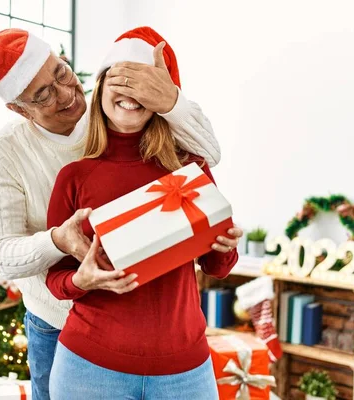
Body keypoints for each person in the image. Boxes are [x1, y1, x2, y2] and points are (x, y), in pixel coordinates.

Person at [0, 28, 223, 400]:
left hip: (142, 332)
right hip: (58, 325)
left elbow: (206, 157)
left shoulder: (118, 113)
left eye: (62, 73)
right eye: (44, 95)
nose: (67, 94)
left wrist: (170, 101)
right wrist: (57, 240)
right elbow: (3, 255)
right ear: (19, 109)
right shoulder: (5, 155)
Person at [45, 27, 243, 399]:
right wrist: (81, 282)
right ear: (101, 88)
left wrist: (223, 244)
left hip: (185, 373)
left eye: (143, 83)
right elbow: (56, 280)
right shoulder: (73, 176)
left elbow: (217, 267)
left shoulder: (190, 166)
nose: (131, 94)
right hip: (88, 370)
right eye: (120, 80)